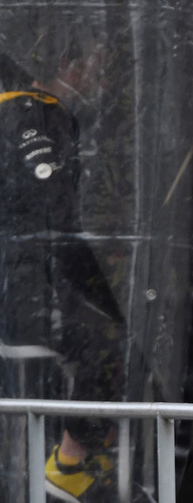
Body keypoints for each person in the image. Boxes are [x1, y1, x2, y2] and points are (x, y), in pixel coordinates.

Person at [0, 46, 125, 503]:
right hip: (27, 287)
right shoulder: (29, 114)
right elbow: (56, 217)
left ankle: (87, 454)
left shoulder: (41, 114)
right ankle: (70, 463)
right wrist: (98, 281)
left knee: (115, 338)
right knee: (110, 345)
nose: (104, 85)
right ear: (66, 66)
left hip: (34, 281)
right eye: (98, 70)